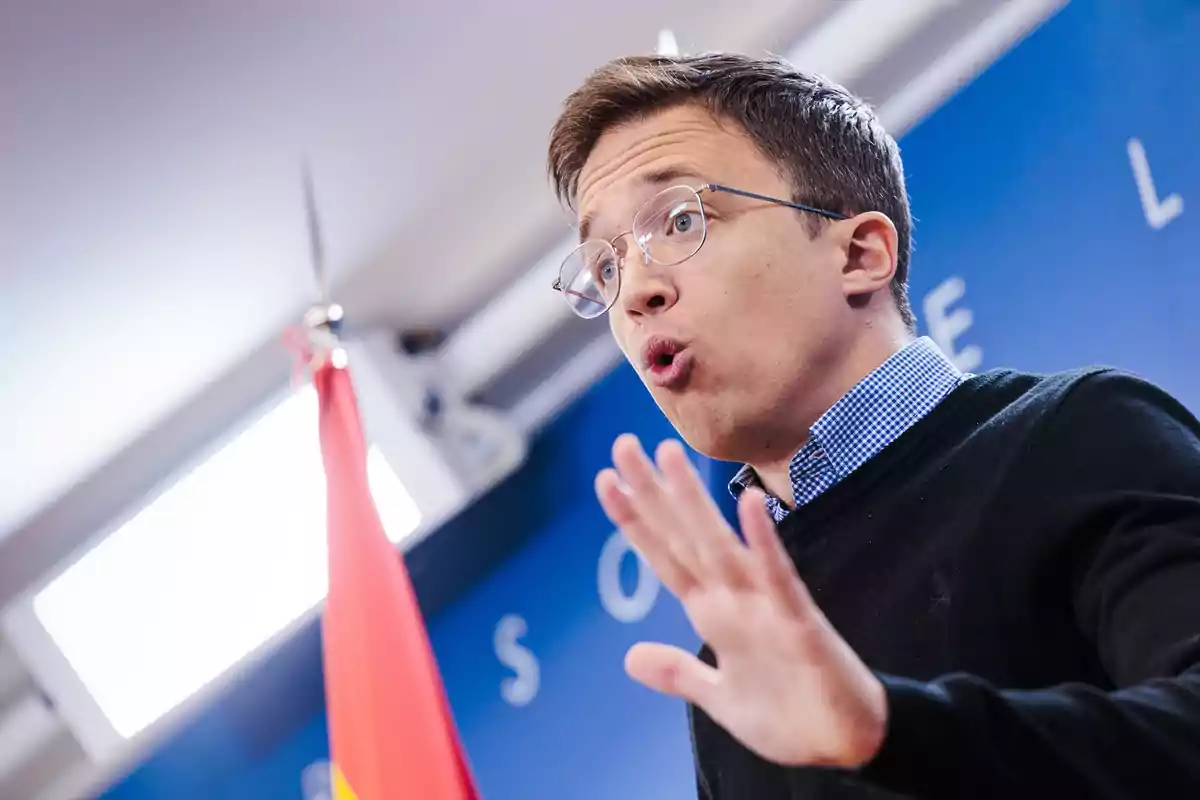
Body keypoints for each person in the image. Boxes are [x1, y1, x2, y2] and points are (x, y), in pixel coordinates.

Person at [544, 52, 1200, 798]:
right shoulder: (740, 673)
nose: (635, 293)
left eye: (681, 220)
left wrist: (888, 731)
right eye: (606, 269)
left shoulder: (1079, 434)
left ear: (860, 252)